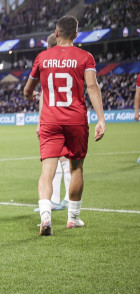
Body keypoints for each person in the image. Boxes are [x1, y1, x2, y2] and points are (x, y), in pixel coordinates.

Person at [23, 15, 105, 236]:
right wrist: (101, 119)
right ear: (76, 34)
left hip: (50, 121)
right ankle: (72, 218)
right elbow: (92, 86)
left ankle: (45, 216)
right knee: (76, 168)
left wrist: (31, 96)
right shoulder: (85, 57)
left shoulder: (42, 57)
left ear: (56, 33)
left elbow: (27, 91)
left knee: (47, 171)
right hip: (76, 120)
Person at [34, 33, 70, 213]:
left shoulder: (46, 65)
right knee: (66, 160)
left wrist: (40, 122)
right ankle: (63, 200)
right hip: (71, 117)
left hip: (53, 118)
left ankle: (58, 201)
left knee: (55, 160)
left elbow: (43, 95)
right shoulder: (72, 62)